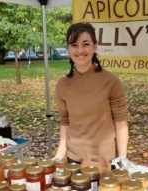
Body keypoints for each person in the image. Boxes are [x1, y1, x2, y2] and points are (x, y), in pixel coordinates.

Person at [53, 22, 129, 169]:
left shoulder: (110, 81)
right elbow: (65, 123)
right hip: (73, 160)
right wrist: (59, 155)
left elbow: (121, 124)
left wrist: (122, 160)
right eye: (74, 45)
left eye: (85, 44)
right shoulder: (63, 85)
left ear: (94, 46)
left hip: (105, 161)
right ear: (68, 48)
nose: (80, 50)